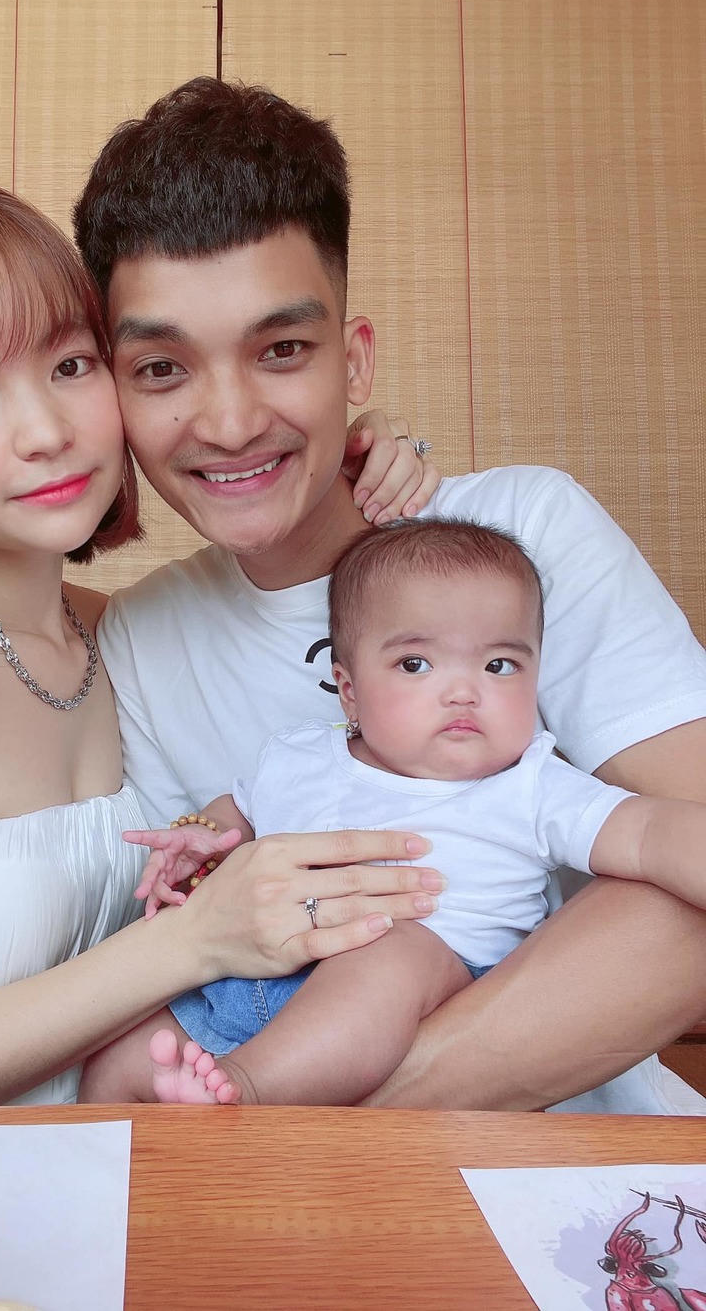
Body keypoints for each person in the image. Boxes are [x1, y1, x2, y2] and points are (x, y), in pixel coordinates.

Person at [0, 176, 441, 1108]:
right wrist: (191, 940)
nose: (46, 432)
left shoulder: (127, 633)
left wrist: (355, 456)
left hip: (105, 1145)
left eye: (69, 365)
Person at [74, 77, 706, 1114]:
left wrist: (296, 1127)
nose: (228, 422)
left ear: (353, 361)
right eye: (161, 369)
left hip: (558, 1155)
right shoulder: (143, 640)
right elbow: (188, 935)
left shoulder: (525, 533)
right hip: (247, 1133)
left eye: (282, 350)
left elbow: (686, 890)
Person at [80, 519, 706, 1106]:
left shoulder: (532, 784)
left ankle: (248, 1090)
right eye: (415, 664)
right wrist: (201, 837)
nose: (463, 691)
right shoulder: (299, 756)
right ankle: (115, 1152)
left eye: (499, 665)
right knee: (122, 1050)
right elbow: (238, 811)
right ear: (349, 690)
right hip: (254, 976)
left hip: (421, 994)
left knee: (388, 953)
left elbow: (648, 833)